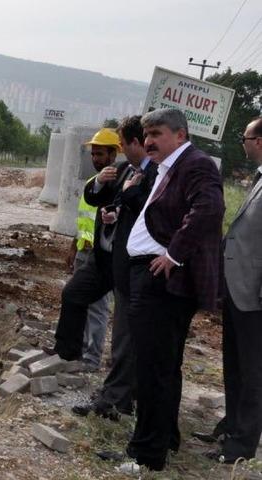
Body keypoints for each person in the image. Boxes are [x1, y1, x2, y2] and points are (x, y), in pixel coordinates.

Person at [120, 108, 225, 473]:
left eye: (157, 133)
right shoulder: (170, 166)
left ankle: (146, 455)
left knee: (153, 369)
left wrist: (174, 254)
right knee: (164, 366)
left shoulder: (195, 164)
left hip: (162, 281)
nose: (148, 140)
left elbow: (210, 209)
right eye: (146, 134)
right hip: (153, 277)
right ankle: (165, 439)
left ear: (180, 135)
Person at [72, 115, 157, 421]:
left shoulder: (155, 175)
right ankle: (120, 394)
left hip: (138, 268)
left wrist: (130, 199)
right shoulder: (125, 170)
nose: (119, 148)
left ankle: (116, 398)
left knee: (124, 337)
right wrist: (113, 208)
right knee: (124, 335)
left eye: (122, 143)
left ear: (136, 142)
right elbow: (96, 197)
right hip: (117, 263)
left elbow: (151, 217)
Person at [204, 117, 262, 464]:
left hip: (255, 295)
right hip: (239, 288)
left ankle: (242, 446)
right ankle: (231, 427)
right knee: (234, 365)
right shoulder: (257, 179)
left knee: (253, 371)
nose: (242, 143)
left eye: (245, 137)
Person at [46, 128, 119, 369]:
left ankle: (91, 357)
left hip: (100, 255)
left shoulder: (118, 185)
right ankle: (71, 350)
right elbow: (84, 219)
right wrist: (73, 248)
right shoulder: (93, 183)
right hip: (84, 250)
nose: (95, 158)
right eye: (93, 154)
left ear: (113, 154)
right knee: (75, 300)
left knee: (96, 307)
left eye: (100, 154)